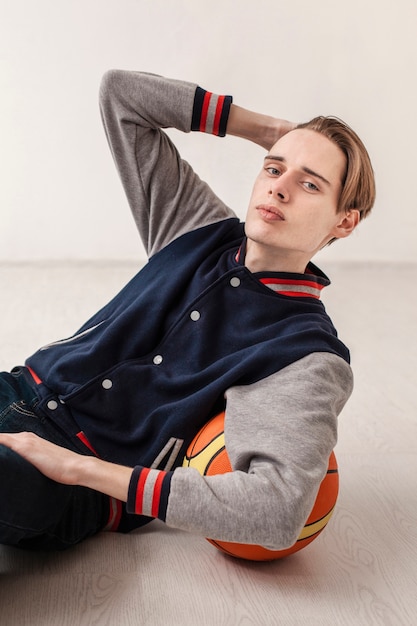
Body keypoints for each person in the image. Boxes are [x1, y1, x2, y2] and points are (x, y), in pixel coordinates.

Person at [0, 70, 375, 552]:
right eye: (273, 168)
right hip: (14, 389)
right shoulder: (196, 226)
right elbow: (122, 96)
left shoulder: (306, 353)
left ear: (344, 220)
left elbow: (278, 509)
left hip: (76, 475)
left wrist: (81, 470)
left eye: (310, 184)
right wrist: (265, 131)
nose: (280, 189)